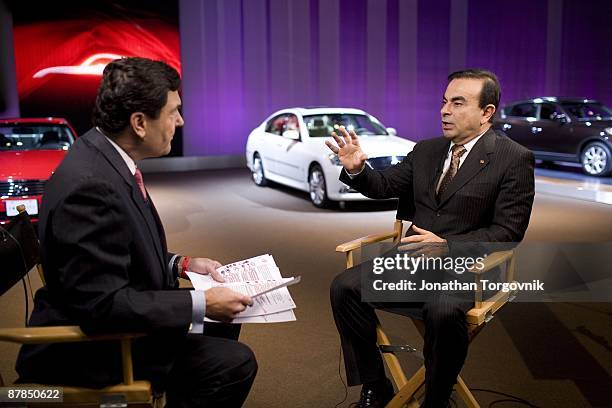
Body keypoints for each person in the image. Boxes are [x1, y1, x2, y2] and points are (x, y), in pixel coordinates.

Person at [16, 57, 257, 407]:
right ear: (140, 123)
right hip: (94, 352)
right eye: (174, 111)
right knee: (234, 363)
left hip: (108, 324)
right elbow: (103, 306)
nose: (181, 121)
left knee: (225, 319)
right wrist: (201, 300)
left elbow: (116, 245)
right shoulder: (91, 187)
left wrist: (181, 264)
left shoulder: (102, 156)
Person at [326, 69, 535, 407]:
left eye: (457, 103)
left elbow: (507, 233)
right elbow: (383, 185)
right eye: (443, 102)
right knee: (344, 287)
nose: (444, 110)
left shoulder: (514, 159)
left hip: (471, 268)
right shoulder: (426, 150)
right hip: (412, 263)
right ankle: (376, 384)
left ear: (487, 113)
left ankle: (436, 399)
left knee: (441, 309)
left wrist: (448, 246)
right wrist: (356, 169)